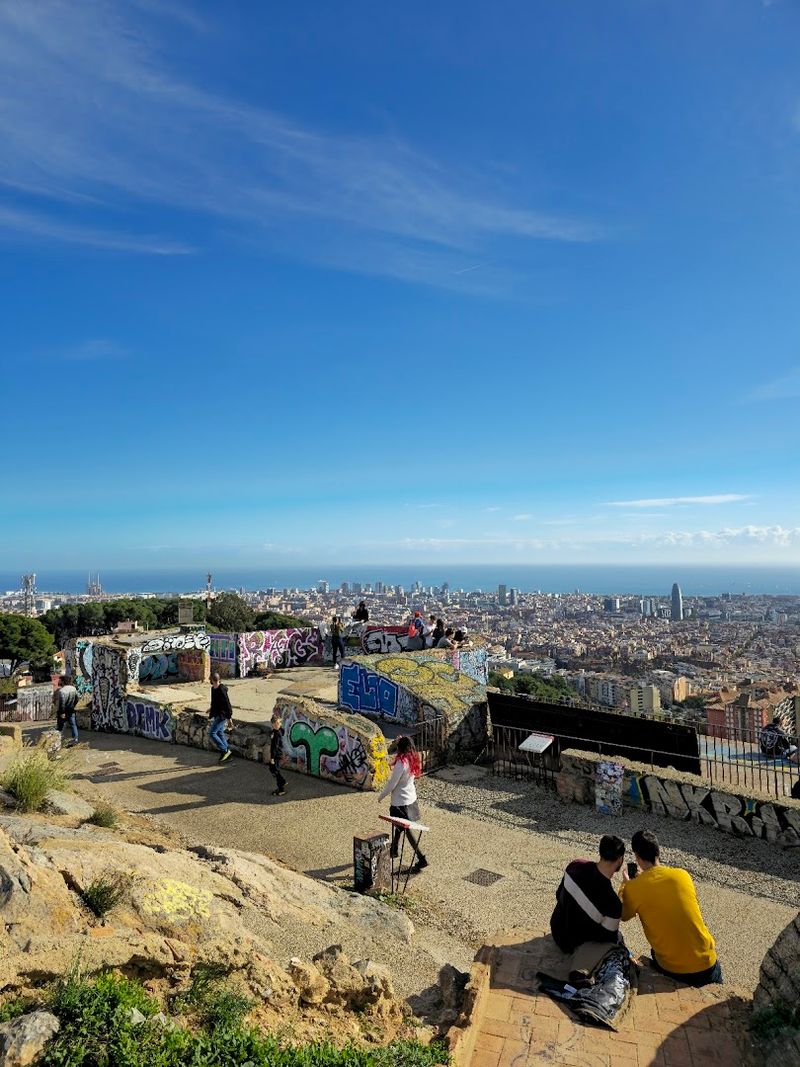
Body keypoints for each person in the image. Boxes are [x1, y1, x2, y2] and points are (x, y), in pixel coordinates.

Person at [620, 830, 721, 986]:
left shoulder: (633, 888)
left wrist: (625, 885)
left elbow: (622, 915)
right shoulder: (682, 875)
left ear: (637, 857)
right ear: (658, 852)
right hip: (707, 963)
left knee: (655, 952)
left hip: (673, 969)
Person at [550, 836, 625, 953]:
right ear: (620, 860)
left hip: (556, 930)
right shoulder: (613, 903)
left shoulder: (575, 865)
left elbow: (558, 894)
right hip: (576, 946)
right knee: (618, 937)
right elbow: (608, 939)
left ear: (600, 852)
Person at [378, 736, 428, 872]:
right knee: (399, 826)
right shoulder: (412, 759)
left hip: (400, 803)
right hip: (411, 799)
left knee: (405, 829)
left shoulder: (401, 763)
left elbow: (392, 784)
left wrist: (381, 796)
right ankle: (394, 850)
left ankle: (421, 857)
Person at [208, 671, 233, 763]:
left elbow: (227, 704)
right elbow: (214, 702)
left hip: (222, 715)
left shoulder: (221, 689)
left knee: (212, 733)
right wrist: (211, 708)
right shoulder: (213, 689)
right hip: (216, 713)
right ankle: (228, 752)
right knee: (220, 733)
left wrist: (229, 718)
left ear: (212, 680)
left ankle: (224, 750)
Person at [55, 675, 79, 745]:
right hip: (71, 710)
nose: (59, 682)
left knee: (60, 727)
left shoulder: (62, 691)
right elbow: (77, 699)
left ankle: (57, 741)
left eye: (60, 680)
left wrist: (62, 713)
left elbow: (62, 703)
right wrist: (73, 705)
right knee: (73, 725)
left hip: (63, 711)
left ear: (63, 681)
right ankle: (75, 739)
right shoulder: (73, 688)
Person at [268, 711, 287, 797]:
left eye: (278, 723)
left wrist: (272, 758)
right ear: (272, 724)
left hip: (276, 755)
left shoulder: (276, 734)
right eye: (276, 723)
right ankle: (282, 781)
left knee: (275, 770)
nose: (277, 725)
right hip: (278, 753)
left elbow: (274, 747)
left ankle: (281, 788)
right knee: (273, 769)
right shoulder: (277, 731)